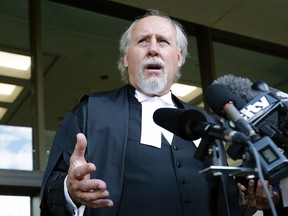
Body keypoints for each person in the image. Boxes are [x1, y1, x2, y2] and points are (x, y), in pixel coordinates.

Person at [40, 9, 242, 216]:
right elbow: (52, 187)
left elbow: (226, 200)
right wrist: (69, 190)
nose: (153, 49)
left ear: (179, 58)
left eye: (163, 41)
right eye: (143, 41)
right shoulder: (90, 112)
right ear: (126, 58)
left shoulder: (203, 121)